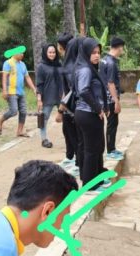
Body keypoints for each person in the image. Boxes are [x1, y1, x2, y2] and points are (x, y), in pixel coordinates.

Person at [74, 37, 109, 188]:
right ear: (86, 53)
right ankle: (89, 183)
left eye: (98, 52)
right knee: (91, 148)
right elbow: (83, 91)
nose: (97, 55)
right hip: (88, 113)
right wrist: (98, 108)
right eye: (93, 52)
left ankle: (97, 176)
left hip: (90, 113)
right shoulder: (86, 70)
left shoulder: (89, 68)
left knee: (98, 146)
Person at [0, 46, 38, 137]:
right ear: (15, 53)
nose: (22, 55)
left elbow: (27, 77)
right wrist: (4, 90)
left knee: (23, 111)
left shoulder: (23, 64)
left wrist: (34, 89)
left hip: (21, 92)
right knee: (13, 111)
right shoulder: (8, 63)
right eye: (20, 53)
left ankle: (20, 131)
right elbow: (4, 77)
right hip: (11, 92)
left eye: (23, 53)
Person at [58, 34, 82, 175]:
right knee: (69, 134)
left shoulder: (72, 67)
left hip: (73, 108)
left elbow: (71, 91)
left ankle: (79, 163)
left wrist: (61, 108)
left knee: (77, 137)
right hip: (71, 107)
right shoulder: (68, 65)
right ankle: (72, 158)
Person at [100, 36, 125, 161]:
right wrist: (116, 101)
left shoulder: (103, 60)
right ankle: (110, 150)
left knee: (110, 124)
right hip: (110, 99)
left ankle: (111, 148)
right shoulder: (111, 63)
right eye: (122, 48)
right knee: (112, 124)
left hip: (103, 97)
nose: (122, 50)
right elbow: (110, 83)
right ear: (119, 47)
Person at [35, 43, 63, 149]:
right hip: (48, 97)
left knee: (68, 117)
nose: (52, 54)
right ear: (46, 53)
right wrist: (39, 99)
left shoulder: (59, 64)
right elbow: (39, 84)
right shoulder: (41, 66)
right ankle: (44, 139)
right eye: (50, 52)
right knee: (44, 119)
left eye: (54, 52)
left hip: (61, 96)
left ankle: (71, 138)